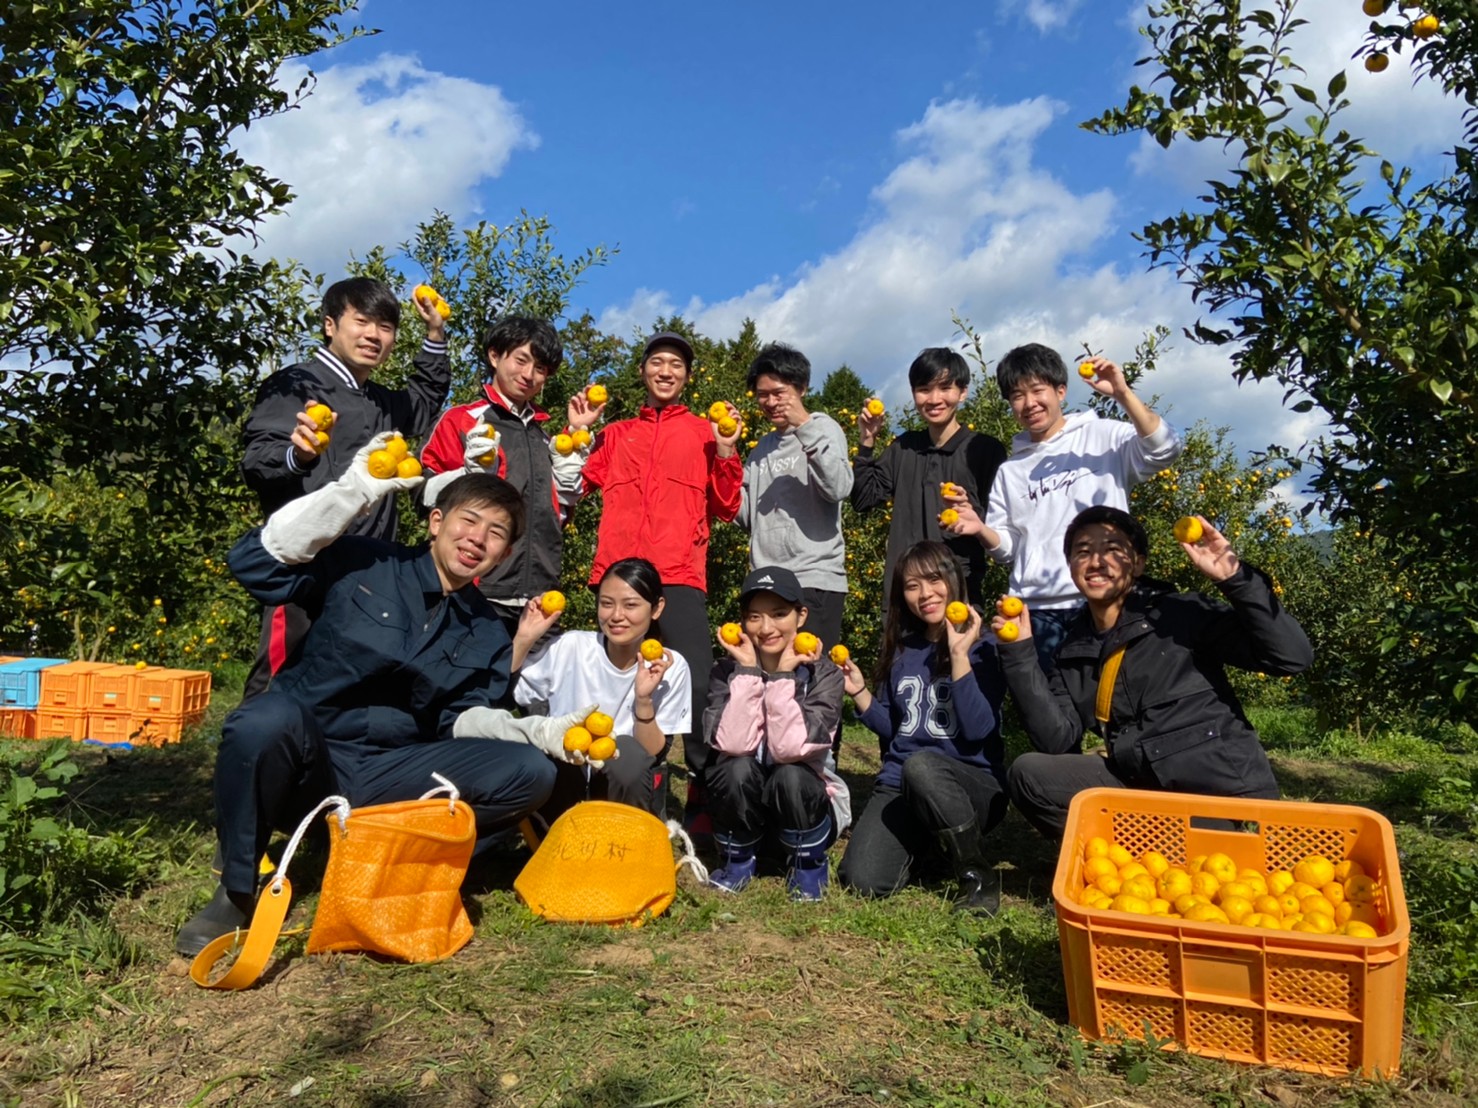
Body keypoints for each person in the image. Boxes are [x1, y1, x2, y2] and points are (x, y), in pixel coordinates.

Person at [176, 443, 591, 957]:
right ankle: (235, 891)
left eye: (497, 534)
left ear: (504, 556)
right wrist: (349, 495)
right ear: (436, 522)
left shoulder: (486, 628)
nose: (477, 539)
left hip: (389, 773)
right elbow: (254, 565)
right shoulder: (361, 562)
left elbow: (461, 720)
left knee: (531, 771)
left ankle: (395, 855)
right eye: (469, 521)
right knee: (263, 718)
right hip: (309, 758)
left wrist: (535, 732)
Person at [998, 507, 1313, 842]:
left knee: (1209, 862)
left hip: (1222, 796)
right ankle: (1127, 860)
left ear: (1138, 564)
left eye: (1114, 550)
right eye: (1083, 551)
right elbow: (1056, 741)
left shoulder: (1179, 615)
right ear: (1071, 566)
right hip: (1145, 794)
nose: (1097, 561)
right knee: (1030, 773)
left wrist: (1234, 578)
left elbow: (1290, 657)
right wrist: (1019, 652)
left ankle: (1146, 855)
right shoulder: (1073, 649)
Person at [239, 278, 450, 697]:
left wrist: (435, 333)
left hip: (366, 571)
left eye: (386, 327)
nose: (374, 335)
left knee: (339, 691)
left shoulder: (380, 401)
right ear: (330, 325)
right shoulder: (296, 385)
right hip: (304, 566)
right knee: (277, 685)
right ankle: (251, 761)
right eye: (362, 321)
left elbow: (424, 399)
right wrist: (297, 456)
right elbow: (257, 463)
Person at [580, 331, 743, 832]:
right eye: (657, 362)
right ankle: (632, 781)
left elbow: (727, 505)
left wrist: (727, 452)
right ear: (644, 371)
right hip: (620, 576)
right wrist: (581, 433)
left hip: (679, 575)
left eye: (675, 364)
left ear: (687, 376)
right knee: (618, 684)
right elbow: (575, 483)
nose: (666, 371)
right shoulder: (617, 433)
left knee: (694, 682)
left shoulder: (703, 431)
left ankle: (701, 789)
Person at [946, 344, 1181, 668]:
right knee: (1053, 711)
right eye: (1017, 395)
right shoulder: (1012, 471)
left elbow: (1165, 449)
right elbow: (1010, 549)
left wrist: (1123, 394)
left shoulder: (1103, 437)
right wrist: (981, 529)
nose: (1029, 404)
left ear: (1060, 390)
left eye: (1037, 390)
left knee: (1122, 702)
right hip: (1036, 612)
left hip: (1106, 598)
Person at [836, 542, 1008, 912]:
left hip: (969, 785)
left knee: (923, 766)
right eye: (912, 585)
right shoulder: (903, 649)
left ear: (953, 580)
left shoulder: (986, 647)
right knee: (863, 880)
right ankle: (931, 844)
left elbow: (979, 730)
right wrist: (861, 693)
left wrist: (959, 655)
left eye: (933, 579)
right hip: (903, 783)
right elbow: (899, 730)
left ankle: (977, 876)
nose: (925, 593)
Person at [419, 316, 600, 632]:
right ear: (494, 355)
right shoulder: (462, 420)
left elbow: (558, 513)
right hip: (476, 591)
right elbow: (421, 493)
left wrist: (576, 432)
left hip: (540, 599)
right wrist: (467, 475)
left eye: (541, 368)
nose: (529, 375)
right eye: (521, 360)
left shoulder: (545, 438)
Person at [703, 567, 850, 901]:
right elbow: (732, 743)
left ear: (801, 616)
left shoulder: (824, 674)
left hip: (805, 812)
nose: (766, 628)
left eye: (779, 614)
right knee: (733, 766)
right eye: (754, 617)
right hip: (749, 818)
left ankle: (808, 865)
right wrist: (748, 673)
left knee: (791, 774)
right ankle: (737, 860)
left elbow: (791, 748)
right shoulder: (724, 671)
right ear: (742, 622)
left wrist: (783, 675)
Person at [510, 557, 692, 820]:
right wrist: (524, 638)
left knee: (628, 754)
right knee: (557, 744)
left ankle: (624, 841)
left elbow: (651, 753)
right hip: (566, 775)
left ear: (656, 608)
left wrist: (643, 699)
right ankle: (557, 837)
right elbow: (509, 690)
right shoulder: (571, 647)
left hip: (623, 785)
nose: (616, 616)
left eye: (630, 605)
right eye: (607, 604)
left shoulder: (669, 667)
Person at [850, 348, 1006, 608]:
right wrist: (867, 441)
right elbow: (864, 499)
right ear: (913, 394)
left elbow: (1001, 529)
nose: (934, 399)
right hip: (905, 600)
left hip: (959, 595)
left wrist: (973, 515)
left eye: (945, 388)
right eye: (924, 389)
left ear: (963, 392)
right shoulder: (903, 448)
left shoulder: (985, 450)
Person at [737, 343, 853, 657]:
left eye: (779, 392)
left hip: (813, 579)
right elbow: (746, 516)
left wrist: (805, 427)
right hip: (766, 582)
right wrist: (724, 460)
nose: (771, 402)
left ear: (801, 388)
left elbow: (839, 487)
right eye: (763, 395)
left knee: (811, 683)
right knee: (770, 685)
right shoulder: (761, 449)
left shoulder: (824, 428)